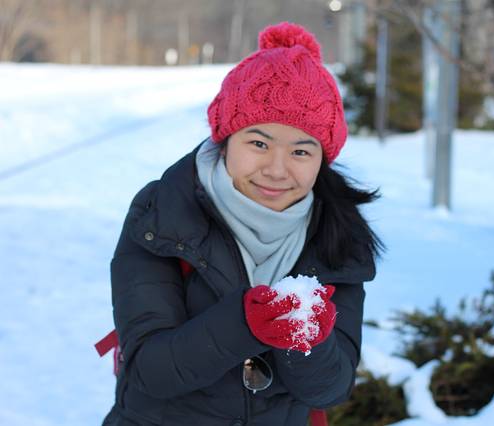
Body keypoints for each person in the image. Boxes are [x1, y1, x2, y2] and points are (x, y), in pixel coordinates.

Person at [101, 22, 383, 426]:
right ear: (226, 138)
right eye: (259, 143)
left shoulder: (338, 233)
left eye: (301, 151)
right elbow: (149, 370)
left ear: (323, 159)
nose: (277, 170)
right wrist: (244, 325)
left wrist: (309, 342)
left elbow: (331, 389)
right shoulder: (164, 213)